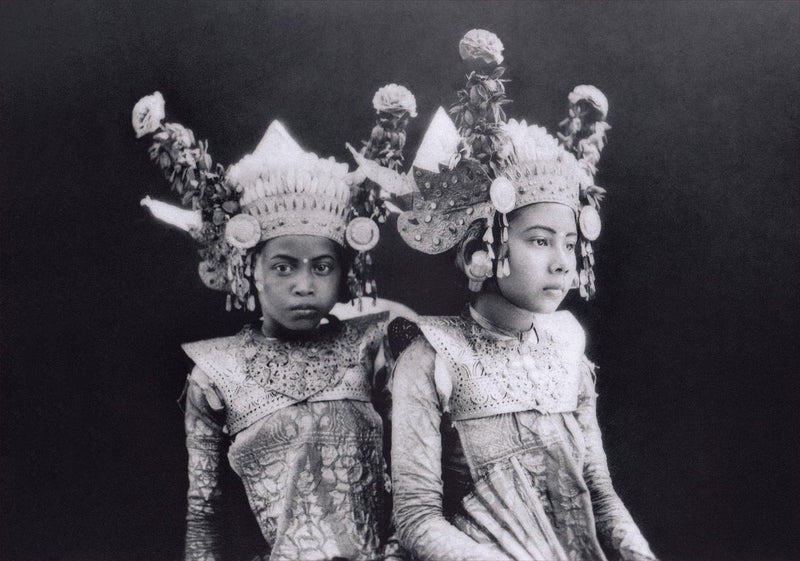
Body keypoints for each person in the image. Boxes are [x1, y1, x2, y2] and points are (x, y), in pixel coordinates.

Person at [362, 30, 658, 561]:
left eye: (569, 243)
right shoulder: (430, 357)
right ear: (484, 245)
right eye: (539, 241)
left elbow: (601, 494)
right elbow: (415, 518)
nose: (562, 262)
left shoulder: (567, 344)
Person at [133, 91, 414, 561]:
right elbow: (204, 514)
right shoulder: (214, 374)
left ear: (344, 272)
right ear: (251, 270)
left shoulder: (374, 347)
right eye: (284, 267)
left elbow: (413, 483)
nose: (304, 285)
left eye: (322, 267)